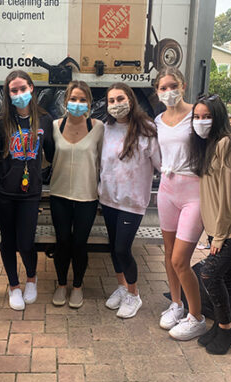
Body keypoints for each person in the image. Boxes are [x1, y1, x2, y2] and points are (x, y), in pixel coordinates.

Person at [188, 94, 231, 354]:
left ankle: (226, 328)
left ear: (219, 117)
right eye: (197, 117)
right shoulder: (209, 144)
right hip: (219, 229)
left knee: (209, 274)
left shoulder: (227, 143)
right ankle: (226, 326)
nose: (201, 122)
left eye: (207, 117)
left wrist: (220, 235)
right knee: (222, 276)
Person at [0, 70, 54, 311]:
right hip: (2, 191)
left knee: (26, 242)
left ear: (31, 88)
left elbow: (53, 153)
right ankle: (13, 286)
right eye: (13, 90)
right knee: (7, 241)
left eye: (22, 89)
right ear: (8, 93)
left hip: (30, 193)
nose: (19, 94)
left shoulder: (45, 119)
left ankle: (31, 279)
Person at [99, 82, 161, 318]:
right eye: (111, 101)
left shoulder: (146, 129)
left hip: (132, 202)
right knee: (113, 248)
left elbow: (160, 165)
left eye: (120, 99)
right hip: (108, 198)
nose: (116, 104)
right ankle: (122, 286)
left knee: (123, 249)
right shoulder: (106, 128)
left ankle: (134, 295)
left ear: (131, 100)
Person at [154, 67, 206, 340]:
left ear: (183, 85)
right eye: (162, 88)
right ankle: (176, 303)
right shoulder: (158, 120)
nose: (168, 91)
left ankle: (196, 317)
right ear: (157, 92)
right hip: (167, 190)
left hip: (193, 193)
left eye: (172, 85)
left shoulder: (196, 115)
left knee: (180, 260)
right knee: (168, 253)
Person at [50, 80, 104, 308]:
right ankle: (61, 285)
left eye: (83, 100)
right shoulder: (55, 126)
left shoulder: (98, 127)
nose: (77, 103)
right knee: (62, 242)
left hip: (87, 196)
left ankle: (78, 286)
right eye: (73, 99)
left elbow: (103, 161)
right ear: (65, 101)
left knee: (79, 243)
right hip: (59, 194)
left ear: (90, 103)